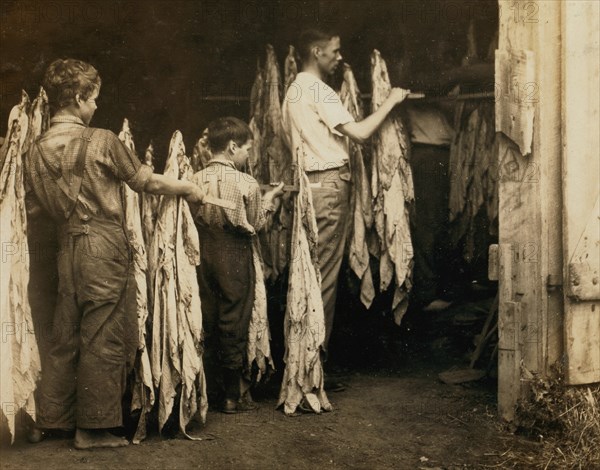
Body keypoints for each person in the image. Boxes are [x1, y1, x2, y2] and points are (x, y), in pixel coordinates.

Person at [24, 58, 205, 449]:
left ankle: (52, 418)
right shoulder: (103, 140)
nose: (95, 107)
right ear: (76, 98)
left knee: (65, 333)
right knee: (103, 334)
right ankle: (93, 429)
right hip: (102, 247)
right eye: (93, 100)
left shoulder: (35, 151)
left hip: (65, 248)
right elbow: (146, 181)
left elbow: (34, 209)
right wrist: (189, 188)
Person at [281, 29, 411, 380]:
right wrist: (391, 101)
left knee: (311, 273)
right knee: (323, 279)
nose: (339, 57)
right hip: (329, 187)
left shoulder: (291, 91)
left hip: (310, 187)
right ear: (316, 51)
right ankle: (311, 372)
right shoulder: (317, 89)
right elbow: (360, 132)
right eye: (334, 51)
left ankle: (306, 364)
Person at [190, 117, 283, 414]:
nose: (248, 155)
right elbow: (257, 224)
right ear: (232, 147)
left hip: (202, 251)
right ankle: (231, 396)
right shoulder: (246, 182)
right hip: (234, 252)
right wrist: (270, 201)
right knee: (234, 317)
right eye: (246, 149)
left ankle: (206, 391)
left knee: (207, 315)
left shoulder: (193, 179)